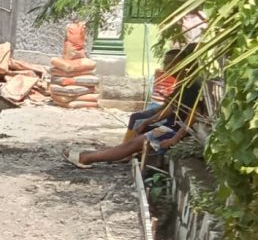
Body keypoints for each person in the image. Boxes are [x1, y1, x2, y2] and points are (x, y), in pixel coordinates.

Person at [66, 47, 201, 168]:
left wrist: (175, 139)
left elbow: (193, 115)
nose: (165, 67)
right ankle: (97, 155)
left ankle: (87, 158)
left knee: (135, 143)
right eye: (165, 62)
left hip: (175, 131)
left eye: (169, 62)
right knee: (136, 134)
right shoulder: (183, 84)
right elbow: (171, 108)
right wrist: (148, 121)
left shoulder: (193, 86)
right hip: (170, 126)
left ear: (182, 63)